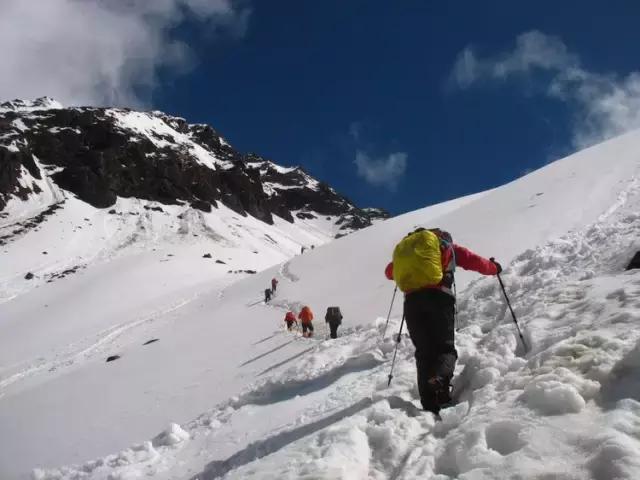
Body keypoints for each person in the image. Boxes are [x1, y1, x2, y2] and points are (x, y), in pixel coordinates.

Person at [384, 228, 501, 414]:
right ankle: (440, 384)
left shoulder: (410, 251)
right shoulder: (447, 246)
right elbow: (474, 261)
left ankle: (429, 404)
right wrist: (494, 268)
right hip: (439, 299)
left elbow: (389, 272)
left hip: (412, 304)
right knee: (444, 349)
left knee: (423, 353)